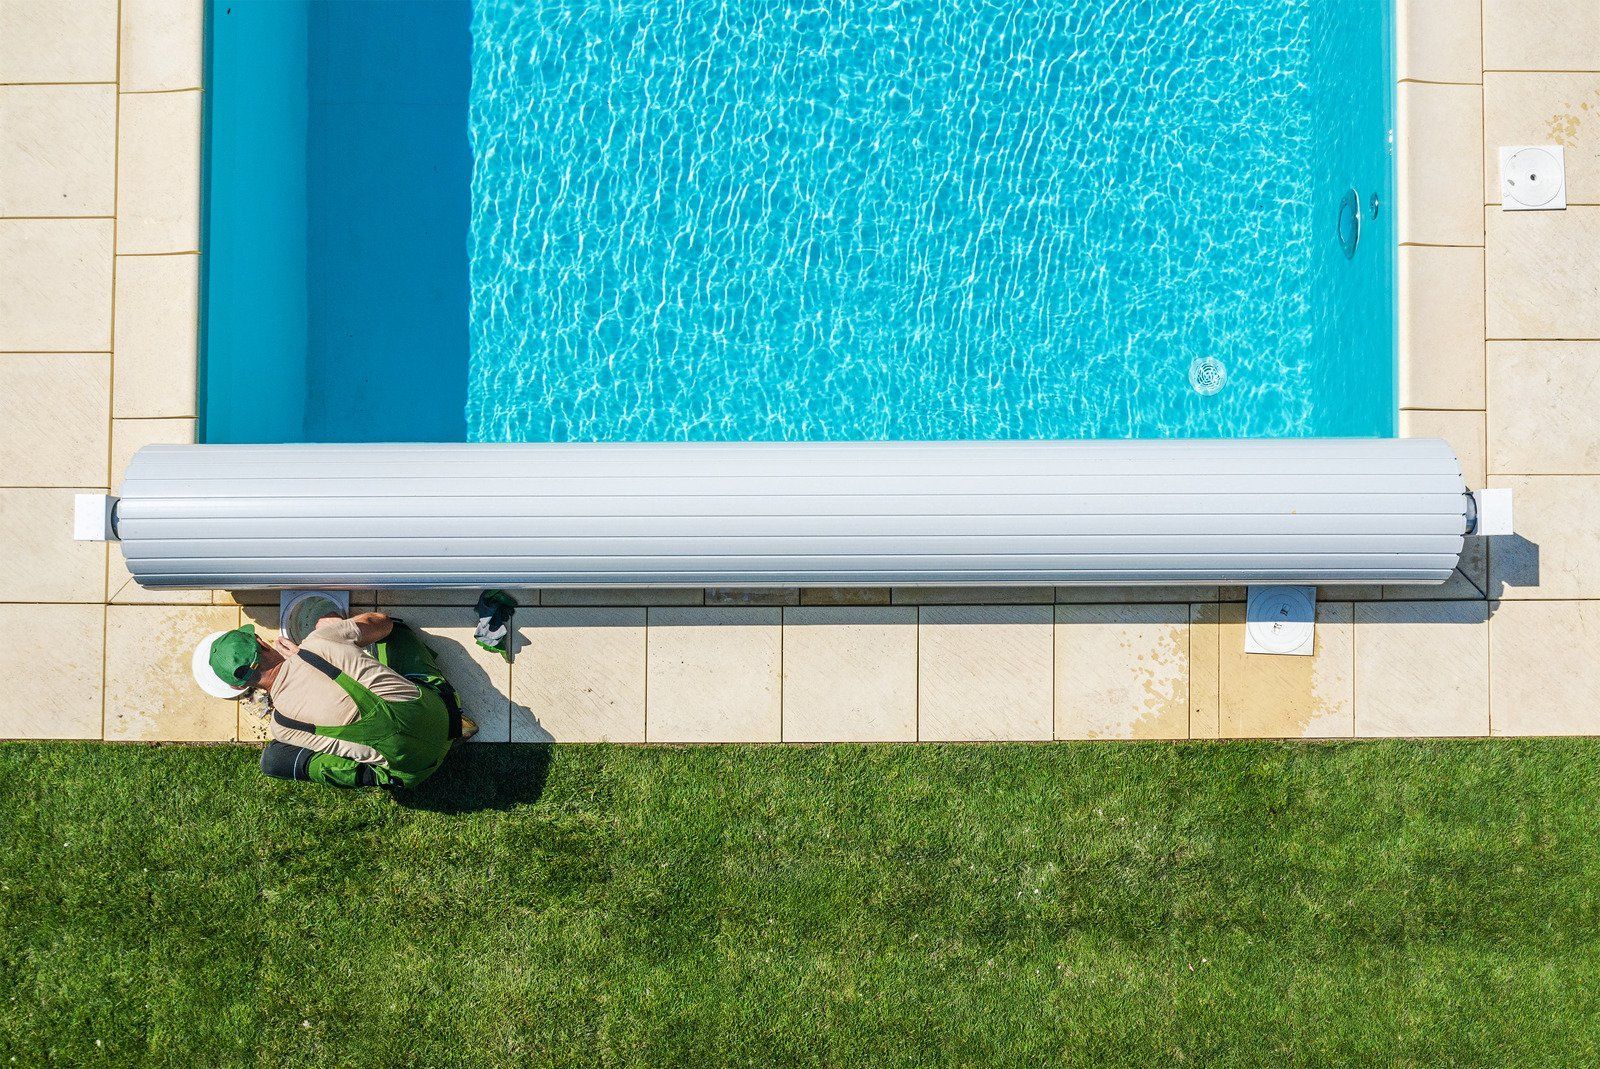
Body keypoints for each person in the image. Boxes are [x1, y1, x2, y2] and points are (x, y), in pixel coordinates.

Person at [191, 612, 477, 788]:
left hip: (415, 771)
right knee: (397, 631)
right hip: (443, 714)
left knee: (274, 759)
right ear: (263, 644)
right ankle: (458, 725)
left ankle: (377, 774)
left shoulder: (282, 727)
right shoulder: (319, 641)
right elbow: (382, 623)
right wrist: (331, 627)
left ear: (238, 687)